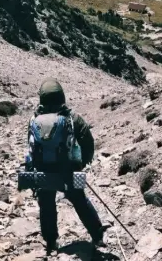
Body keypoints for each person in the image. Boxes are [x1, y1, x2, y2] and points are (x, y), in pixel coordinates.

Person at [26, 78, 105, 255]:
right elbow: (88, 143)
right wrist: (81, 164)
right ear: (62, 96)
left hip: (43, 171)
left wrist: (32, 169)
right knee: (80, 200)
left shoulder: (34, 119)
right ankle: (98, 236)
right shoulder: (72, 118)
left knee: (46, 204)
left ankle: (51, 241)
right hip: (70, 170)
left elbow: (30, 147)